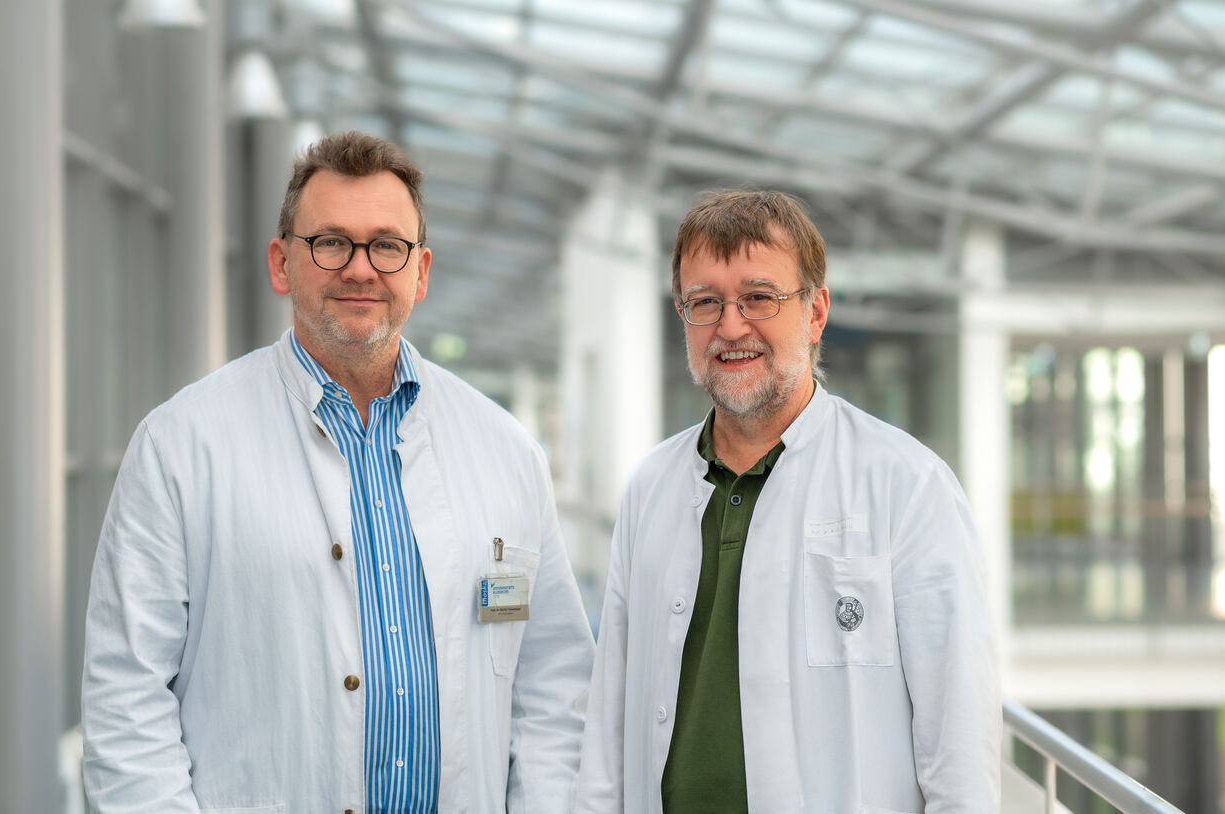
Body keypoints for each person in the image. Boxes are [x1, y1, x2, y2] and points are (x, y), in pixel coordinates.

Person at [81, 130, 595, 814]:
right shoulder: (181, 445)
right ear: (281, 262)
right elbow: (126, 697)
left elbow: (552, 685)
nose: (360, 269)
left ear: (420, 271)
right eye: (330, 243)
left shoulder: (506, 450)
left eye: (387, 245)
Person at [574, 190, 1001, 813]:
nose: (730, 325)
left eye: (759, 297)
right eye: (705, 303)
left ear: (816, 312)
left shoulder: (906, 485)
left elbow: (958, 740)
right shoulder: (650, 489)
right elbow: (610, 715)